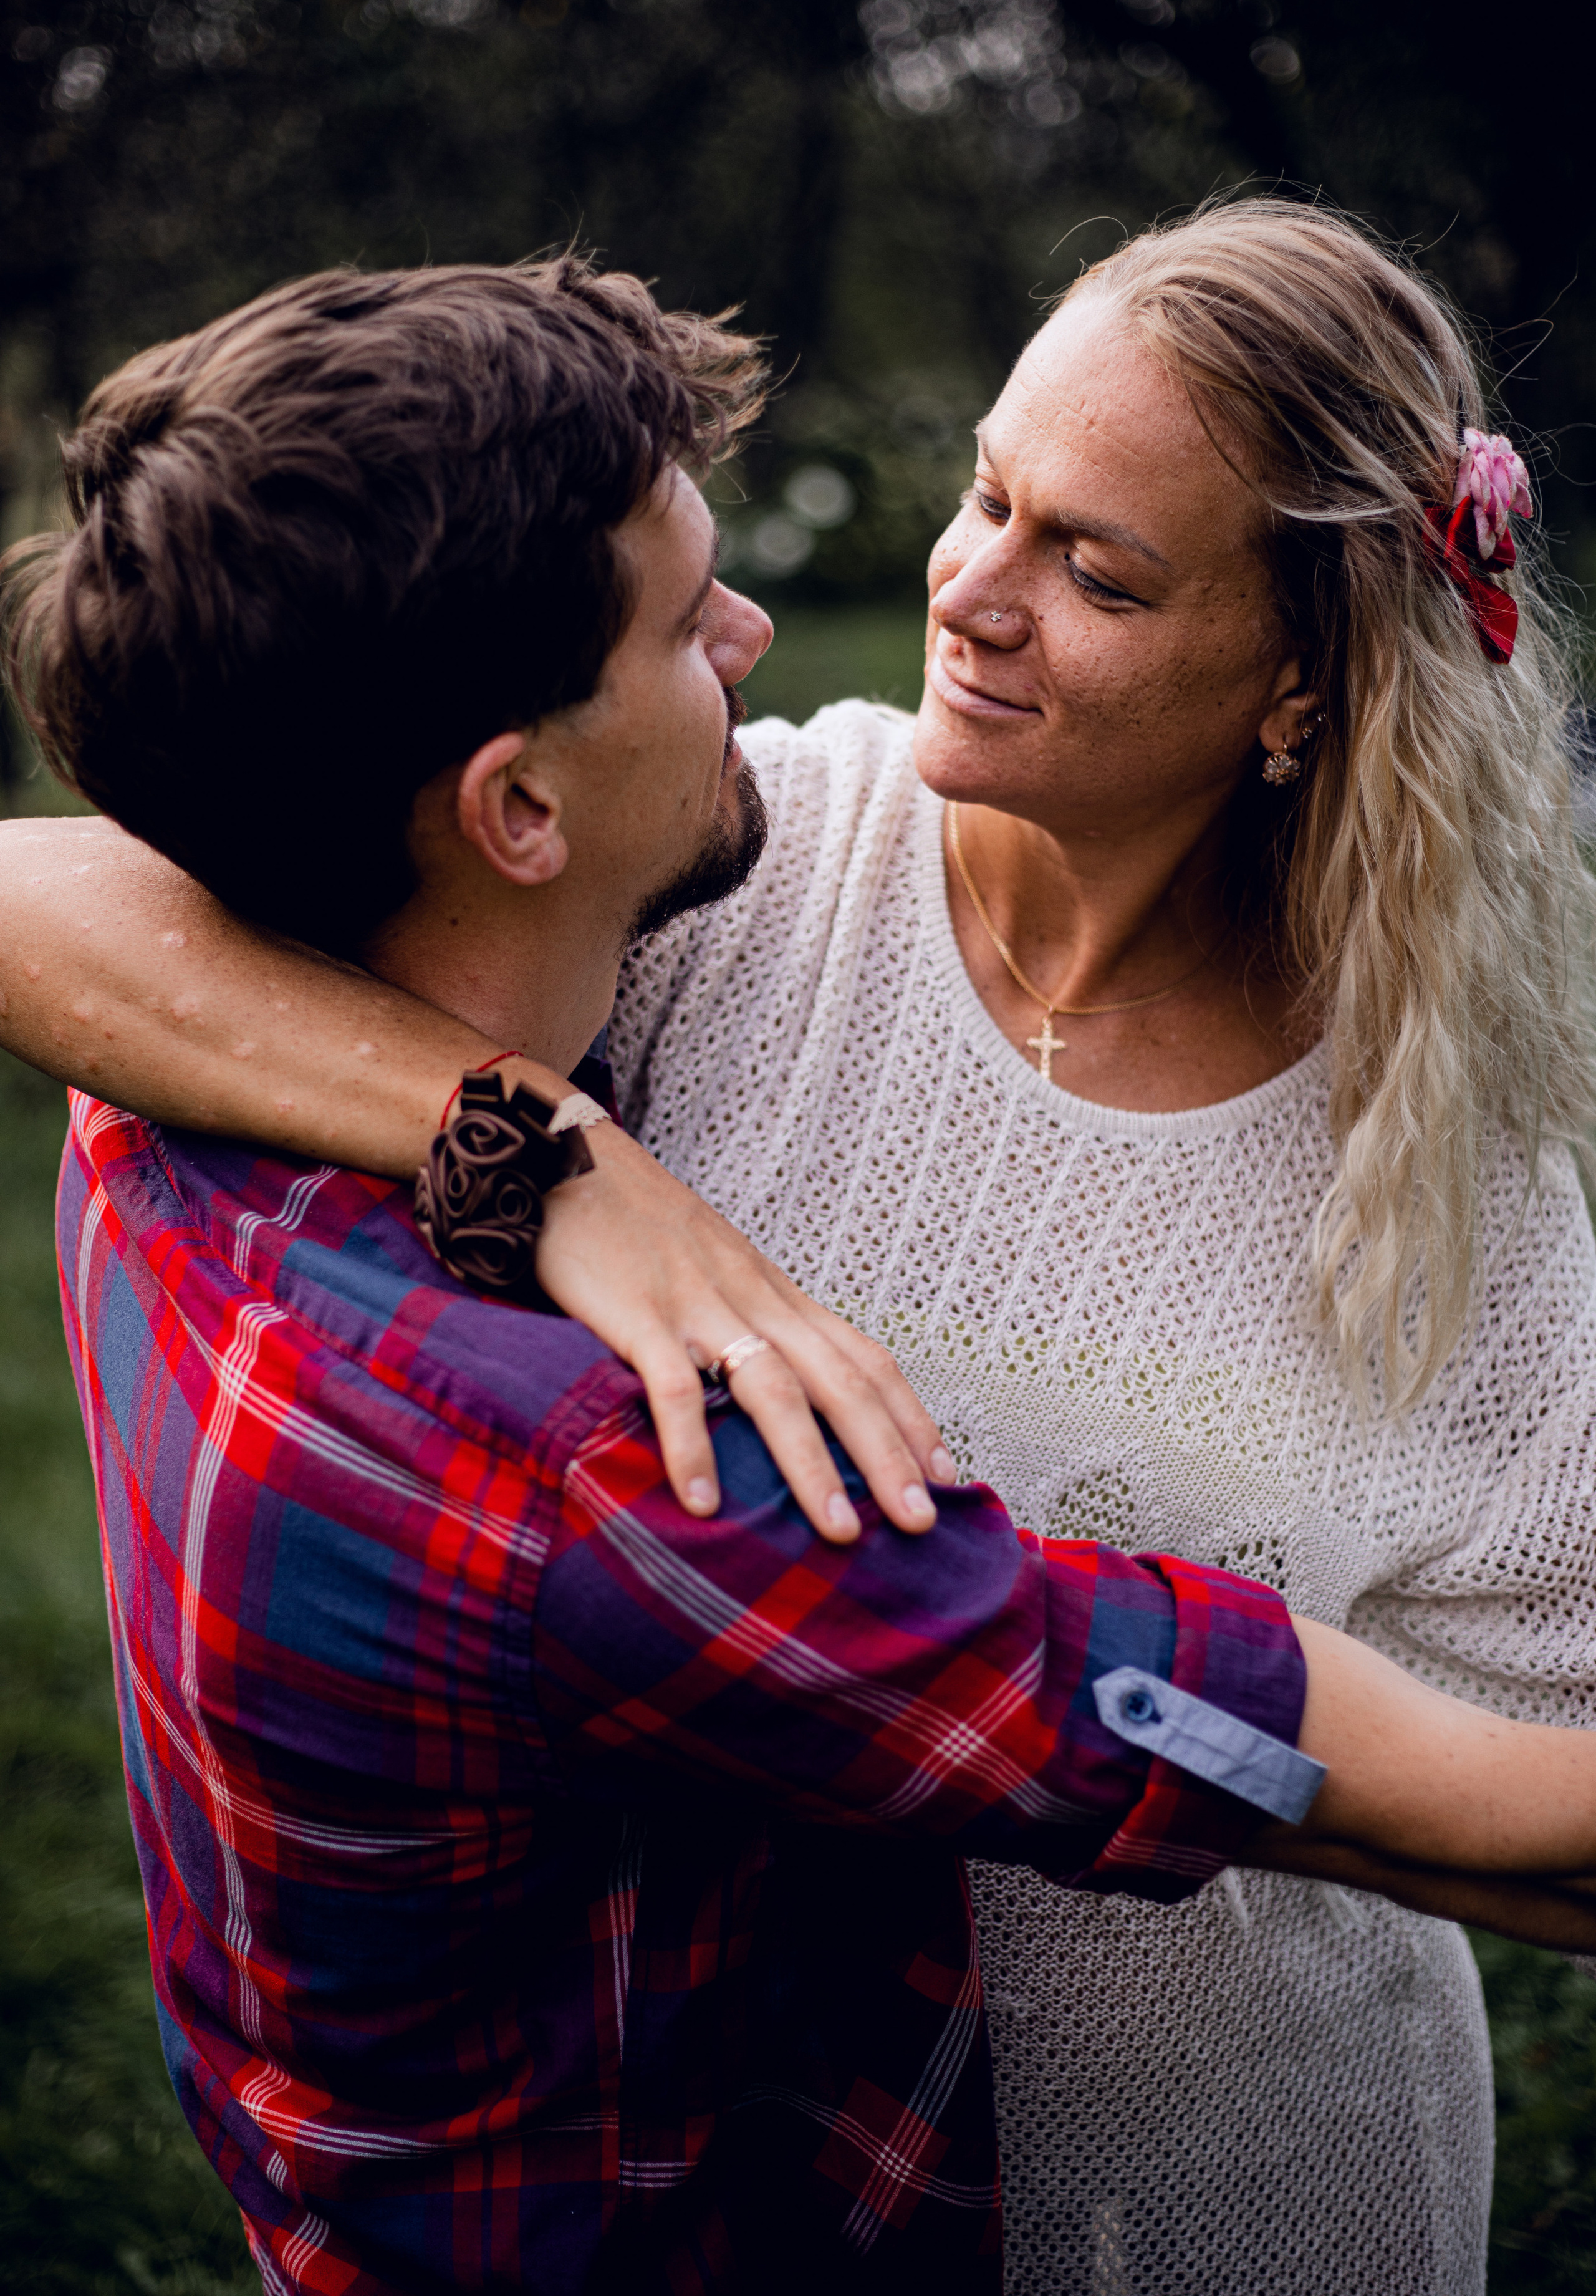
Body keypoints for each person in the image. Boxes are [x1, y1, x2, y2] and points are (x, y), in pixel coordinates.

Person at [2, 218, 1595, 2296]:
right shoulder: (733, 875)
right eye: (987, 492)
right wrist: (565, 1157)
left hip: (1252, 2190)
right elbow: (54, 898)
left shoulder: (1437, 1174)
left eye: (1096, 571)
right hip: (800, 2181)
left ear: (1310, 666)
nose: (969, 589)